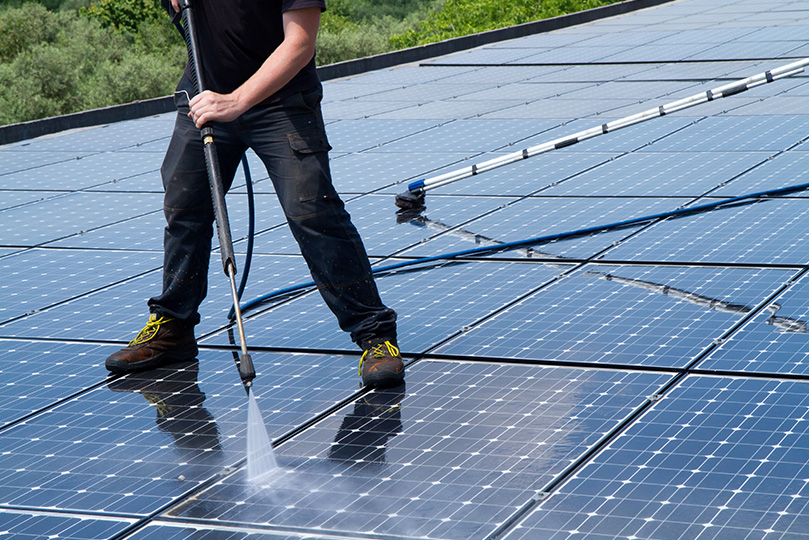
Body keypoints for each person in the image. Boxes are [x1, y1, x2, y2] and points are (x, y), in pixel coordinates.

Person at [105, 0, 403, 388]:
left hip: (282, 102)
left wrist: (237, 101)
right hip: (205, 96)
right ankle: (173, 327)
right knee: (184, 207)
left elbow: (300, 43)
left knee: (312, 211)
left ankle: (375, 335)